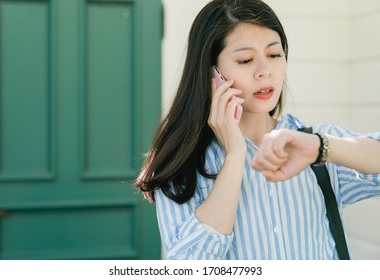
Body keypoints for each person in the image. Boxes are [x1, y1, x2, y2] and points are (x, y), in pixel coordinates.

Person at [135, 0, 380, 259]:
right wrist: (234, 157)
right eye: (245, 60)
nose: (265, 71)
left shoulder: (311, 146)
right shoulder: (182, 165)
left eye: (275, 55)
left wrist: (321, 147)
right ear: (211, 74)